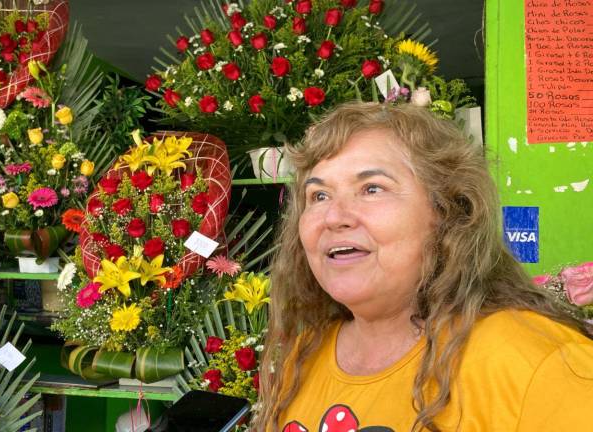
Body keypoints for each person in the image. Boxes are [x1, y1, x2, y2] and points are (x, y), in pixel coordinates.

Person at [254, 102, 593, 431]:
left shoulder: (540, 363)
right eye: (319, 196)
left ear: (447, 213)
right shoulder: (305, 354)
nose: (334, 217)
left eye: (371, 189)